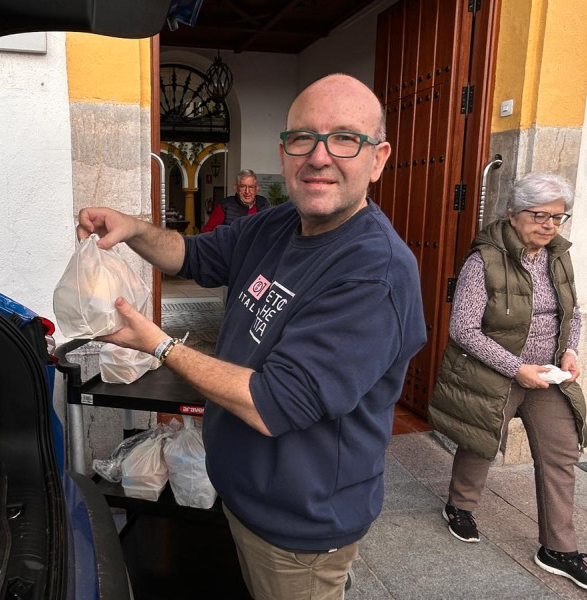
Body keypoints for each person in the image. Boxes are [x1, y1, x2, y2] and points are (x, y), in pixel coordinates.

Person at [77, 74, 426, 599]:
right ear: (284, 152)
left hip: (299, 529)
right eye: (303, 137)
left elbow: (272, 404)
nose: (320, 156)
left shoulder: (374, 272)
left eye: (345, 138)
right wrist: (134, 228)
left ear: (378, 158)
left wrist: (160, 345)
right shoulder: (278, 223)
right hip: (245, 496)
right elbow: (194, 256)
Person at [429, 172, 587, 590]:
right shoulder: (483, 260)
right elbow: (463, 329)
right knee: (480, 442)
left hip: (548, 374)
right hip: (497, 372)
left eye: (558, 217)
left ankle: (558, 548)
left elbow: (572, 311)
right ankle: (459, 506)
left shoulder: (558, 255)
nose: (549, 225)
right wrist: (516, 369)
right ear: (513, 214)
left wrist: (571, 350)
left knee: (561, 453)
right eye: (539, 215)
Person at [200, 169, 270, 232]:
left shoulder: (263, 203)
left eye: (251, 187)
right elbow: (207, 232)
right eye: (243, 186)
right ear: (236, 188)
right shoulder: (225, 205)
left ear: (256, 188)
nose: (247, 191)